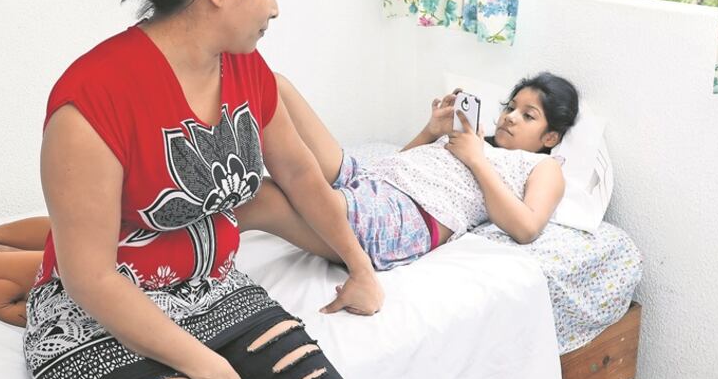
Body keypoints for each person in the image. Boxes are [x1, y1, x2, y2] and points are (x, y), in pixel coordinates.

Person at [23, 0, 391, 379]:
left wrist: (360, 267)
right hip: (95, 327)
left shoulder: (247, 69)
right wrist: (210, 369)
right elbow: (88, 277)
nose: (276, 6)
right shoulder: (92, 98)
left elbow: (300, 174)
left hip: (213, 292)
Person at [236, 71, 580, 269]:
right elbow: (400, 165)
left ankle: (192, 246)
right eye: (511, 107)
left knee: (261, 196)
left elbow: (526, 228)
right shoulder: (473, 138)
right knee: (273, 84)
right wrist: (431, 131)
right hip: (372, 182)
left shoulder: (542, 165)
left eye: (528, 115)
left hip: (405, 218)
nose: (510, 116)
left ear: (550, 136)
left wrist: (476, 159)